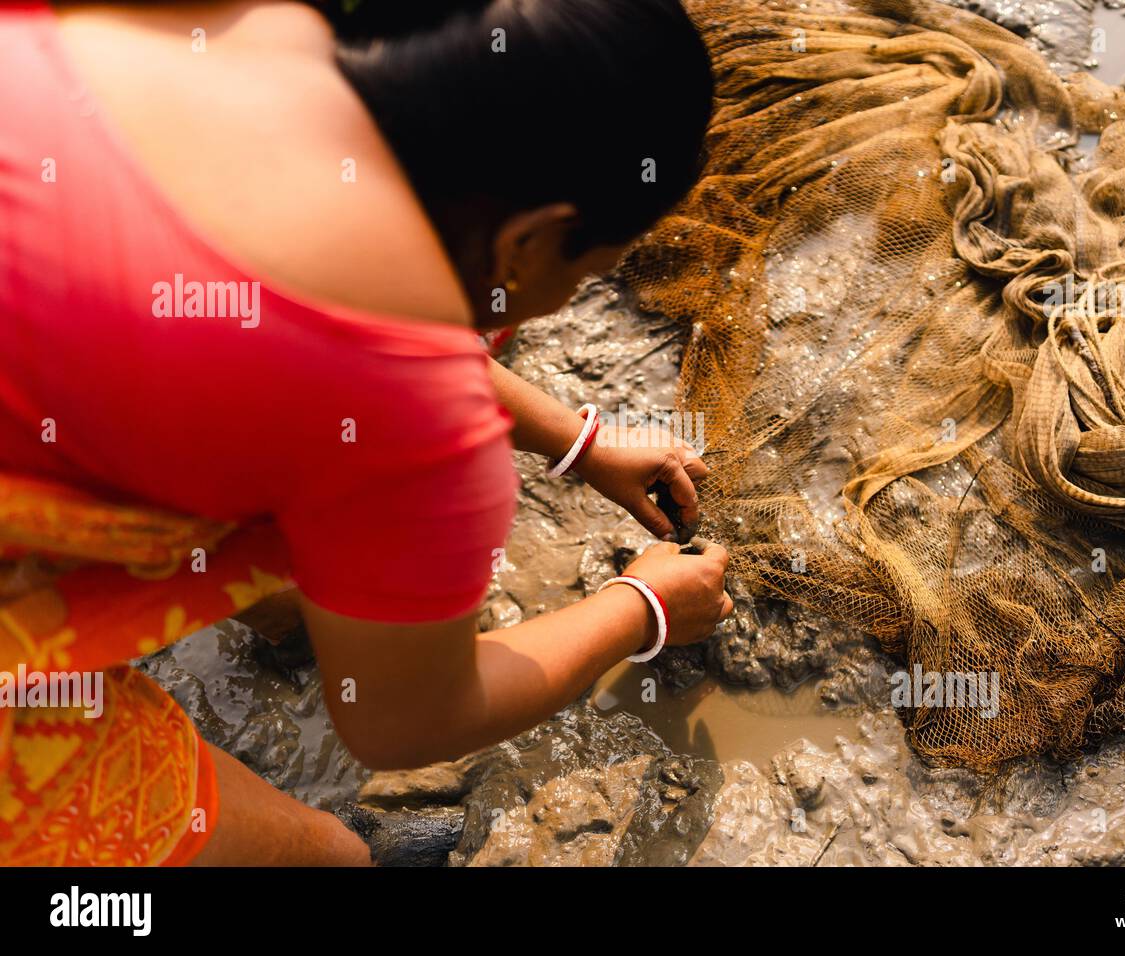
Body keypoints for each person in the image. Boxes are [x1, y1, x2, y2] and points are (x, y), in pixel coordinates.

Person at [0, 0, 727, 866]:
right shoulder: (408, 432)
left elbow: (349, 312)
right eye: (590, 269)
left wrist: (580, 441)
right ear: (530, 241)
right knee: (327, 855)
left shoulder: (234, 32)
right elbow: (407, 723)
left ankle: (287, 618)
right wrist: (640, 608)